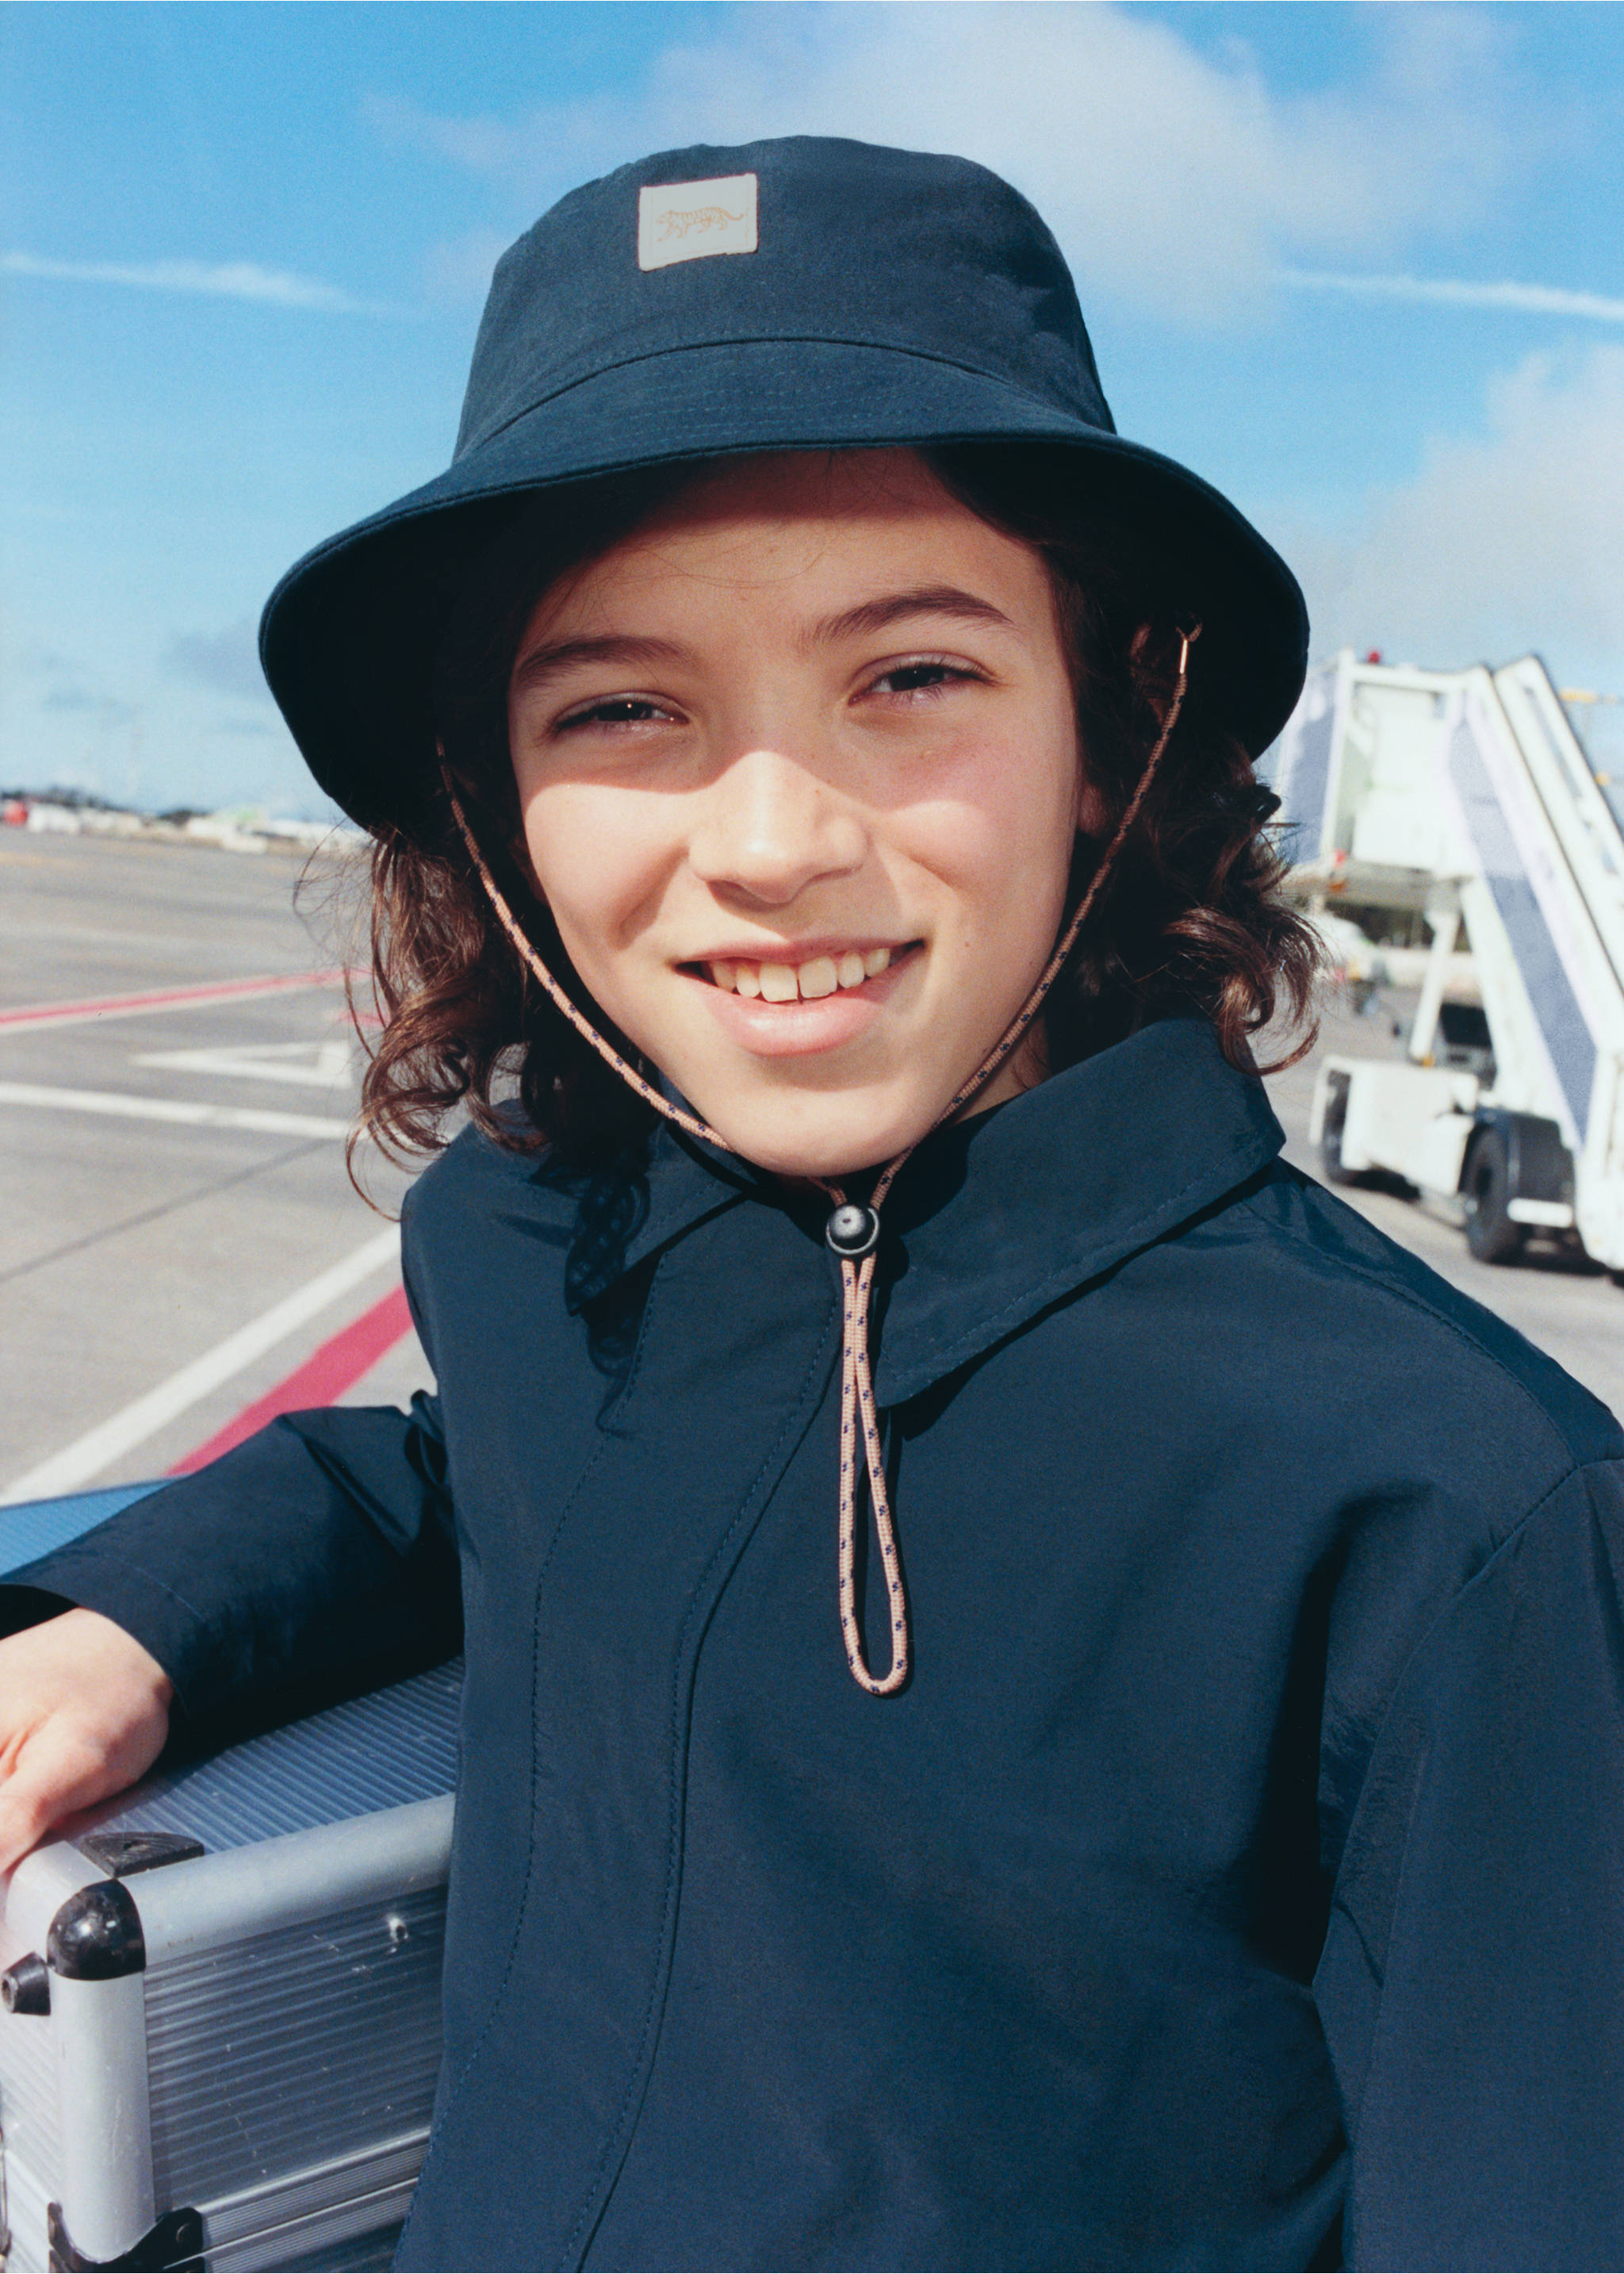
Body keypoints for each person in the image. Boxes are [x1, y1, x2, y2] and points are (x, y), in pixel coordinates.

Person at [3, 136, 1623, 2272]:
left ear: (1113, 723)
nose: (770, 836)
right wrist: (143, 1613)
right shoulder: (530, 1257)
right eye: (625, 705)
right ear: (493, 797)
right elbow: (457, 1481)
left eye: (914, 676)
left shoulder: (1443, 1509)